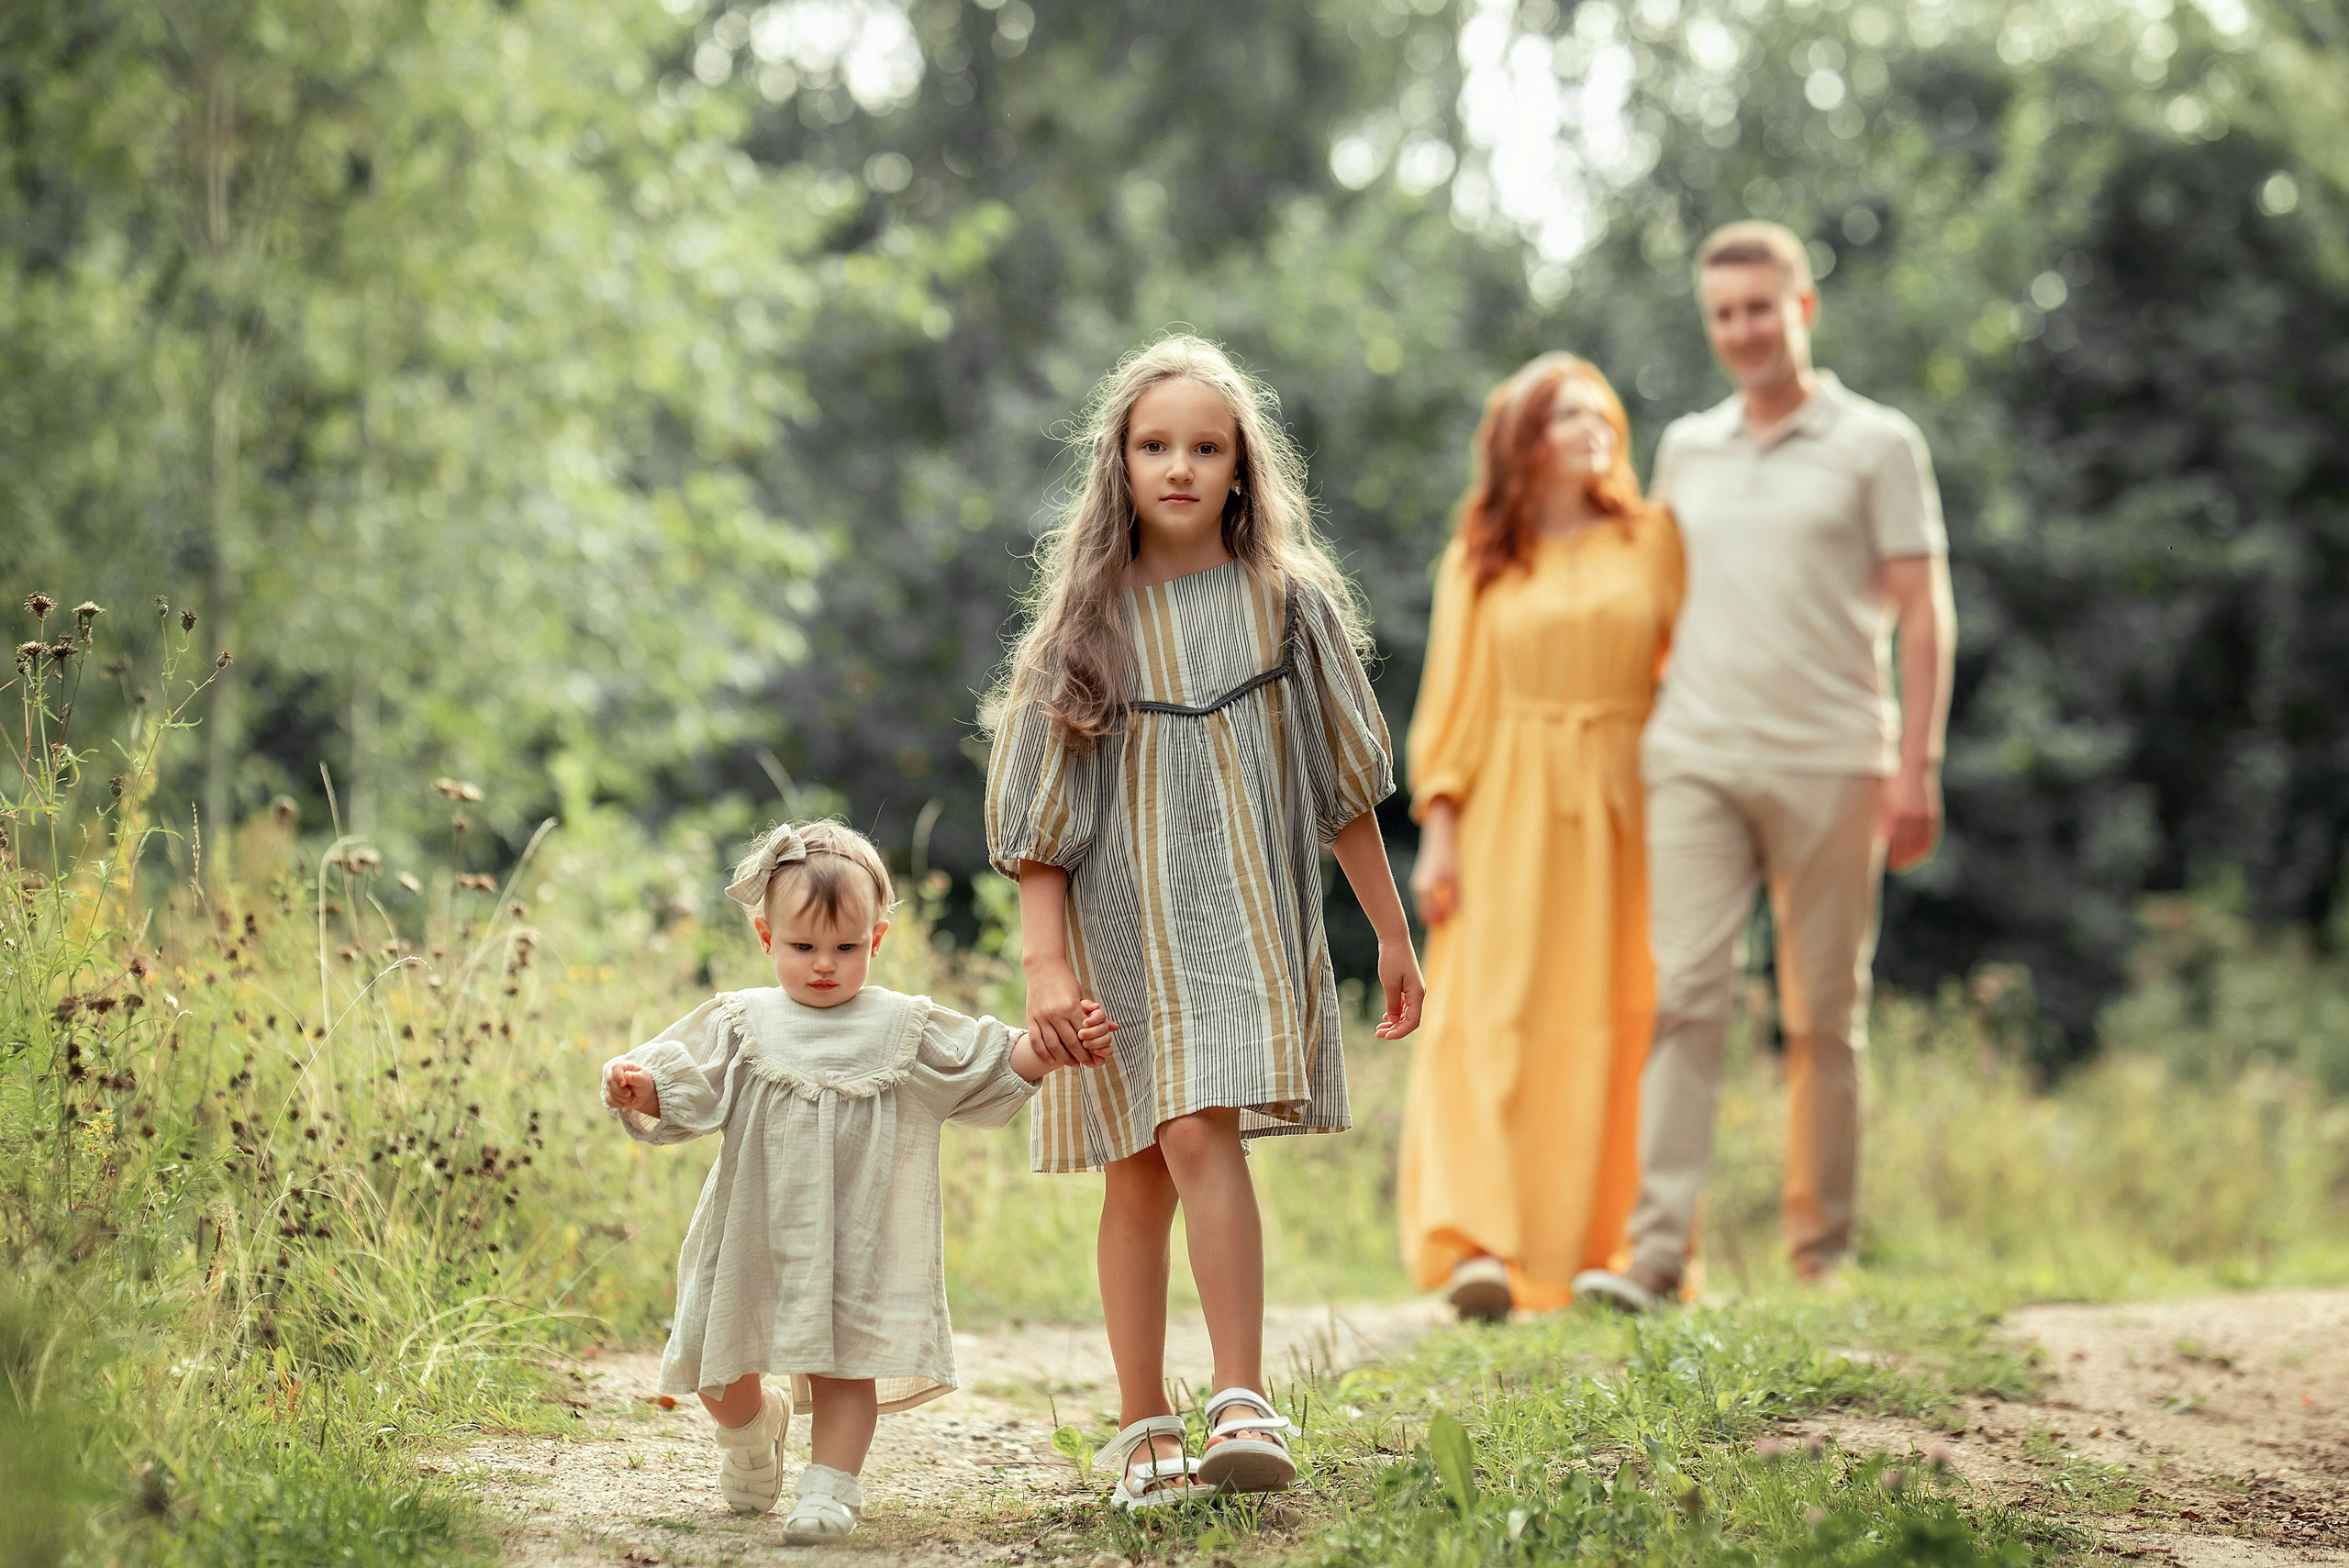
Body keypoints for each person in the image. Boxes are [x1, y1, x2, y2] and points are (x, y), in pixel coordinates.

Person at [984, 335, 1424, 1507]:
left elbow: (1343, 786)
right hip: (1119, 930)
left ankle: (1242, 1397)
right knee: (1136, 1176)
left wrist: (1389, 931)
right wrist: (1043, 964)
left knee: (1195, 1132)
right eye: (1154, 444)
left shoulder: (1290, 604)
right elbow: (1038, 820)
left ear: (1242, 468)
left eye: (1206, 446)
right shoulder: (1083, 627)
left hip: (1237, 916)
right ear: (1118, 464)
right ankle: (1141, 1424)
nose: (1179, 465)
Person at [1574, 220, 1956, 1313]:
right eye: (1722, 314)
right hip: (1693, 756)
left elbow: (1924, 610)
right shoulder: (1688, 446)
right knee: (1686, 993)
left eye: (1759, 308)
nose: (1741, 329)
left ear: (1802, 309)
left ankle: (1819, 1255)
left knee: (1822, 1013)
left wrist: (1915, 762)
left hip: (1834, 761)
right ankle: (1654, 1259)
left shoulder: (1877, 443)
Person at [600, 820, 1110, 1537]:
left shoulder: (904, 1025)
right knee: (720, 1374)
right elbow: (687, 1086)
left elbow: (987, 1066)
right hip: (755, 1229)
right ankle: (753, 1431)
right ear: (765, 937)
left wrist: (1048, 1048)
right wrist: (640, 1086)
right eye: (804, 946)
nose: (824, 965)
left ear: (875, 940)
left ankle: (830, 1486)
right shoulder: (742, 1019)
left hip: (859, 1236)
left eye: (845, 947)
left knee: (848, 1366)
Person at [1400, 354, 1684, 1320]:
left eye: (1599, 408)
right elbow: (1451, 699)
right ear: (1526, 440)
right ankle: (1482, 1244)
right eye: (1565, 413)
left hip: (1627, 803)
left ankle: (1616, 1249)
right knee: (1493, 1018)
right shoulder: (1483, 554)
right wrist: (1439, 828)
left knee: (1623, 1014)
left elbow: (1692, 666)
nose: (1592, 424)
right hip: (1507, 805)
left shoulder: (1654, 539)